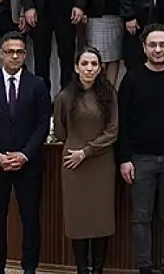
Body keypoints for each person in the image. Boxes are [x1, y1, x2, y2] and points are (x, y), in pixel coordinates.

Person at [0, 32, 53, 274]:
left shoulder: (38, 85)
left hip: (29, 165)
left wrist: (24, 155)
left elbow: (42, 126)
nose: (14, 56)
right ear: (1, 54)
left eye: (19, 51)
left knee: (30, 220)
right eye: (9, 51)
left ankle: (30, 268)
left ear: (25, 55)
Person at [119, 24, 164, 274]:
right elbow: (123, 123)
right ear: (144, 48)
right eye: (153, 45)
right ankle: (145, 268)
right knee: (141, 219)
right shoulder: (131, 78)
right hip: (140, 160)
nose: (158, 49)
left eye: (163, 45)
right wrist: (124, 159)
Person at [54, 47, 119, 274]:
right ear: (76, 67)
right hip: (73, 164)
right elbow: (61, 131)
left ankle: (98, 268)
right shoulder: (65, 96)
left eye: (94, 64)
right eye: (85, 64)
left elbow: (113, 132)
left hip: (101, 162)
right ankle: (82, 268)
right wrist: (77, 151)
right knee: (78, 218)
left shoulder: (109, 94)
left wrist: (87, 151)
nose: (89, 68)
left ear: (101, 68)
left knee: (101, 217)